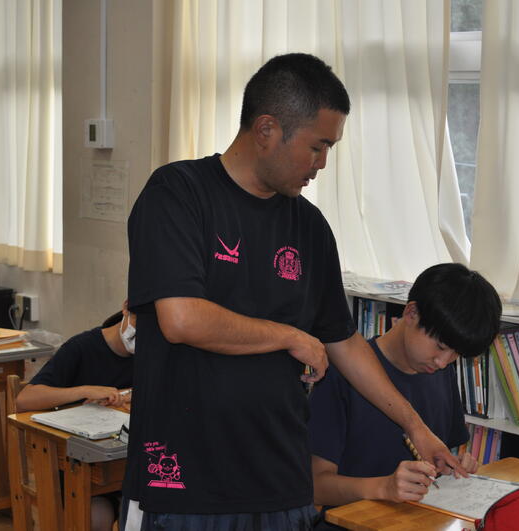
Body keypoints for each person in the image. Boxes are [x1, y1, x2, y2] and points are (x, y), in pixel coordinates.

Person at [120, 53, 461, 530]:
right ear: (267, 130)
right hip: (186, 484)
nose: (322, 164)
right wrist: (289, 336)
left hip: (282, 481)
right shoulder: (178, 193)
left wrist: (416, 427)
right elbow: (181, 319)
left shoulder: (310, 226)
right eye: (317, 147)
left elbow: (344, 342)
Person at [309, 263, 502, 518]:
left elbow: (439, 458)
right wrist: (384, 487)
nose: (443, 362)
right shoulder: (341, 375)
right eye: (441, 346)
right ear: (411, 313)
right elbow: (314, 487)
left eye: (456, 354)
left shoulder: (440, 372)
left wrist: (453, 467)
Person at [16, 304, 135, 531]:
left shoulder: (156, 353)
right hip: (77, 467)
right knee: (96, 517)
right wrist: (83, 390)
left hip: (129, 461)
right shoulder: (81, 348)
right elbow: (24, 400)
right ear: (126, 310)